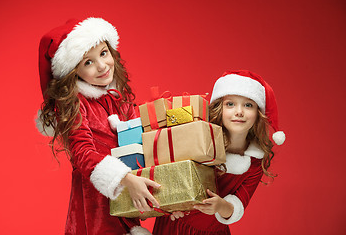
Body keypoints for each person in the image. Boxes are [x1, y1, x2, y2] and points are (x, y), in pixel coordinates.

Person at [36, 17, 161, 235]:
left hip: (125, 194)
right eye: (88, 62)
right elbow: (83, 153)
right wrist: (126, 178)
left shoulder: (117, 97)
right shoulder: (75, 102)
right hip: (94, 203)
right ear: (74, 71)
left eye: (103, 53)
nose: (102, 66)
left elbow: (142, 139)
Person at [153, 70, 285, 234]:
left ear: (258, 114)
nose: (239, 112)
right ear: (219, 108)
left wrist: (220, 206)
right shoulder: (201, 137)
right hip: (174, 227)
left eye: (248, 105)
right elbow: (173, 174)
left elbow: (238, 203)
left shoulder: (255, 161)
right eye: (230, 104)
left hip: (212, 231)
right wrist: (173, 206)